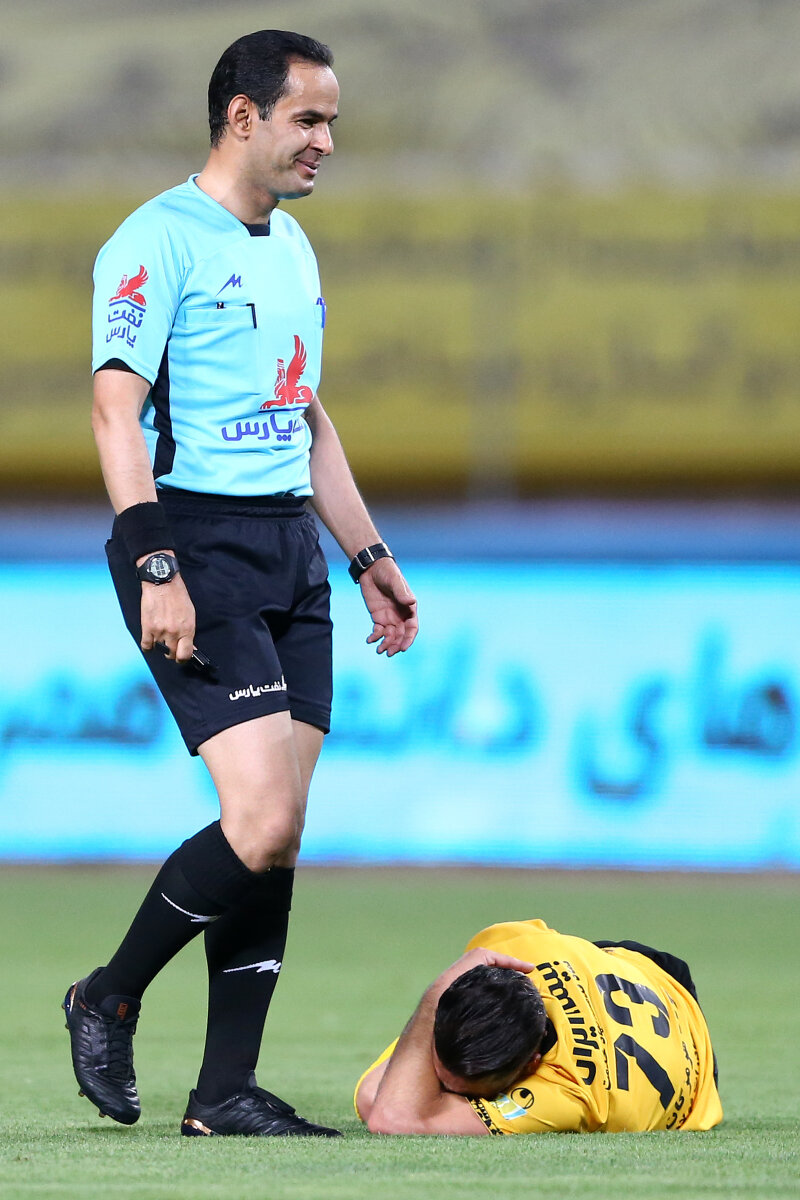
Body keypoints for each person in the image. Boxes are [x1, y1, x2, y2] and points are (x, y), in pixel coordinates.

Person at [63, 29, 417, 1139]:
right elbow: (114, 412)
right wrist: (156, 564)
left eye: (332, 124)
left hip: (288, 549)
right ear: (242, 116)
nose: (325, 143)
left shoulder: (293, 246)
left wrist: (366, 557)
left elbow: (305, 416)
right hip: (193, 543)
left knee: (280, 830)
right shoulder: (155, 239)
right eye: (309, 119)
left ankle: (223, 1093)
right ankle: (108, 995)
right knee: (258, 822)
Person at [355, 918, 722, 1135]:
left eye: (464, 1091)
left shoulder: (568, 1092)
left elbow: (385, 1109)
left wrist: (436, 992)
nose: (443, 1090)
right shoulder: (514, 946)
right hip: (637, 970)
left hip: (694, 1054)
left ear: (532, 1065)